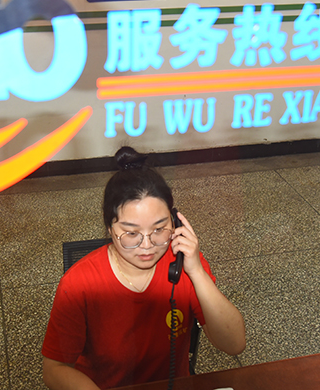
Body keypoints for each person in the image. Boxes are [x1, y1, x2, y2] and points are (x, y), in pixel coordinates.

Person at [41, 146, 246, 389]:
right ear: (110, 228)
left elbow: (234, 344)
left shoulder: (183, 263)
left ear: (175, 222)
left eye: (159, 229)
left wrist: (197, 272)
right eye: (131, 233)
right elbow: (54, 369)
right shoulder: (78, 283)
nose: (147, 246)